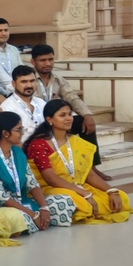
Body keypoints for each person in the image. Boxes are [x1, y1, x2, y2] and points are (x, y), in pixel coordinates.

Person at [25, 100, 133, 224]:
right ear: (49, 119)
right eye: (62, 115)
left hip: (76, 185)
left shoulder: (75, 141)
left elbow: (89, 174)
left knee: (121, 196)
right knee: (82, 203)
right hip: (50, 188)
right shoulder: (39, 144)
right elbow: (51, 179)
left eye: (69, 114)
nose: (68, 118)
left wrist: (111, 191)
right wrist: (84, 193)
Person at [0, 112, 75, 234]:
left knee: (64, 201)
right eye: (18, 130)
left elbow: (32, 183)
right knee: (20, 219)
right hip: (3, 207)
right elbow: (1, 197)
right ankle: (31, 221)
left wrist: (44, 208)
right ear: (5, 133)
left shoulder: (17, 152)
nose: (22, 133)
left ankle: (38, 220)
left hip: (23, 202)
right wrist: (33, 214)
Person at [29, 44, 106, 179]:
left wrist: (87, 114)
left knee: (83, 122)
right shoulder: (29, 79)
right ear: (33, 62)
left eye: (50, 59)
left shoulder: (58, 79)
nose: (47, 64)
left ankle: (92, 166)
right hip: (37, 121)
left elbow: (72, 97)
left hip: (55, 120)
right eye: (43, 60)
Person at [0, 65, 46, 143]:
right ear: (13, 83)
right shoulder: (7, 108)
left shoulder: (42, 103)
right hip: (22, 148)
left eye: (32, 81)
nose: (29, 85)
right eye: (24, 82)